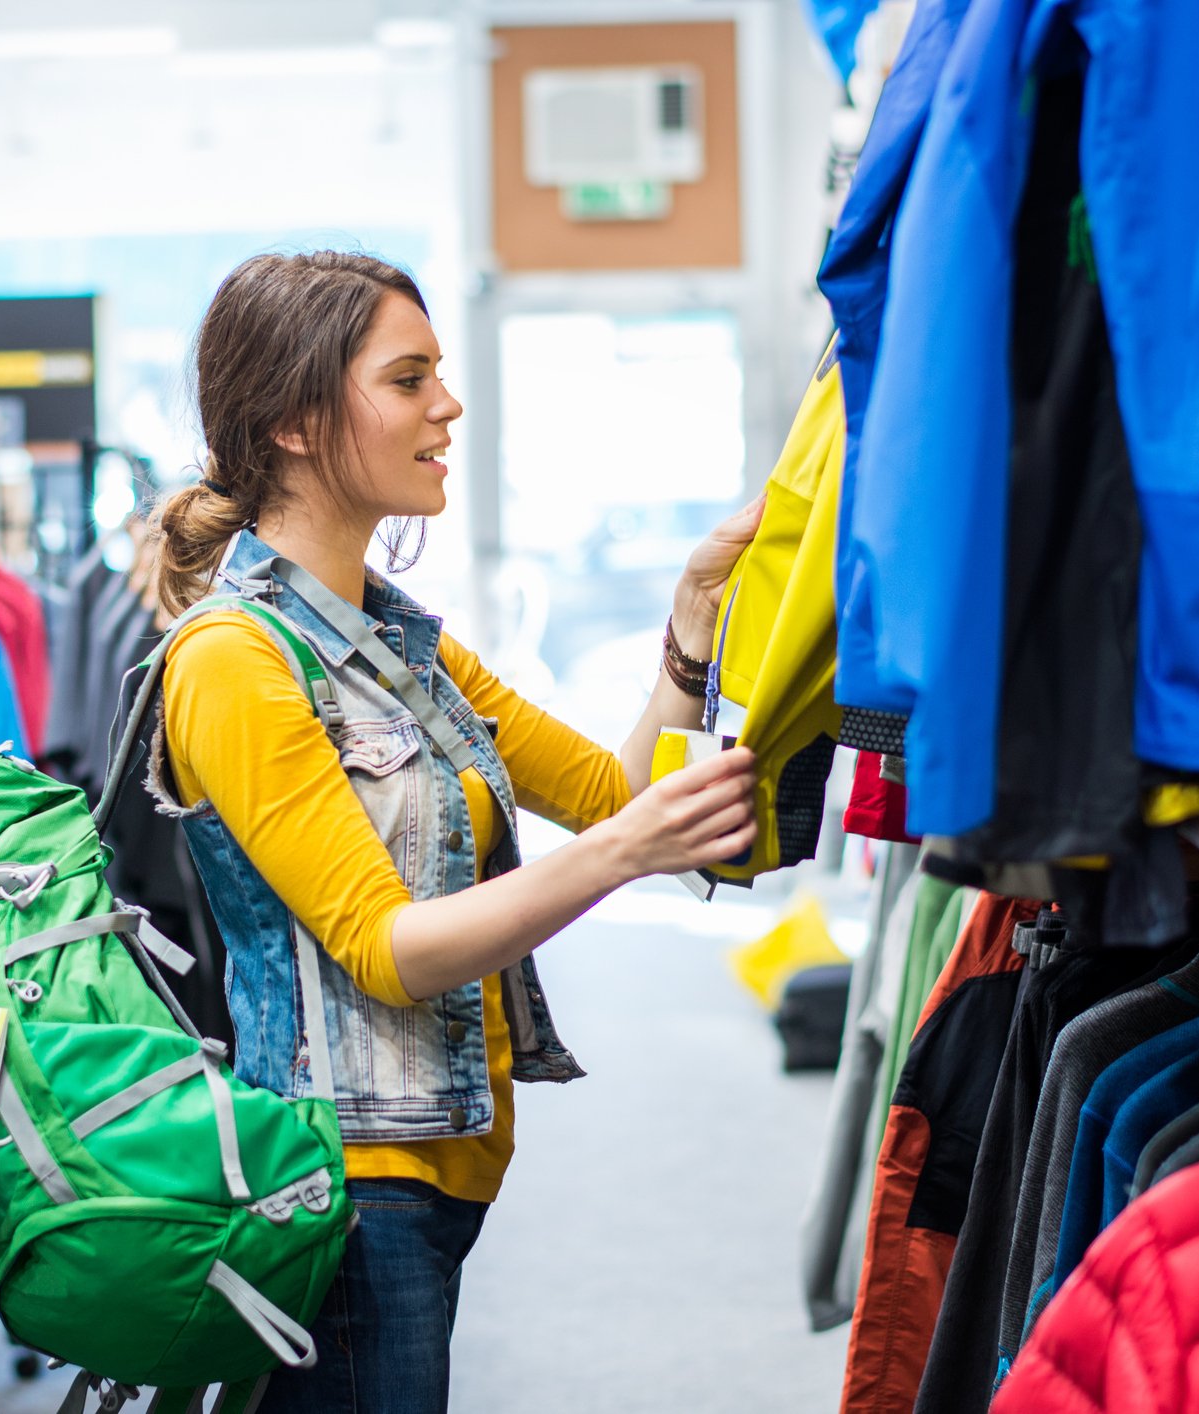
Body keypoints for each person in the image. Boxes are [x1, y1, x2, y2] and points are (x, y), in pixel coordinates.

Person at [147, 250, 763, 1412]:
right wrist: (625, 858)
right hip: (342, 1191)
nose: (447, 404)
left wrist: (689, 628)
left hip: (434, 1177)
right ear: (292, 420)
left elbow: (605, 788)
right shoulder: (232, 661)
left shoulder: (393, 642)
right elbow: (387, 944)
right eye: (408, 377)